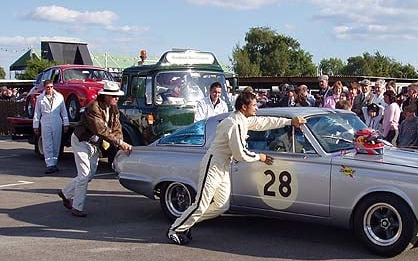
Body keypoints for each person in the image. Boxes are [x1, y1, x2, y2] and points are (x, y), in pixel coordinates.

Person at [166, 92, 307, 245]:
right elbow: (241, 154)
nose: (257, 108)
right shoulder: (234, 124)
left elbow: (264, 122)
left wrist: (289, 122)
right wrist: (260, 157)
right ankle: (175, 229)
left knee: (221, 206)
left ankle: (186, 223)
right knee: (201, 204)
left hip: (224, 164)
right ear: (244, 107)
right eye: (254, 105)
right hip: (213, 164)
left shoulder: (242, 119)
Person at [59, 81, 132, 217]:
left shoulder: (114, 109)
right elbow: (101, 130)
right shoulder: (93, 107)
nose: (116, 98)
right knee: (84, 175)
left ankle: (65, 193)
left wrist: (121, 142)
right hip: (81, 142)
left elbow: (117, 128)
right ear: (105, 96)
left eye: (117, 96)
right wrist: (120, 143)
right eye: (113, 96)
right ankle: (77, 207)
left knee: (90, 175)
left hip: (94, 145)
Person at [33, 79, 69, 174]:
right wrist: (35, 125)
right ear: (45, 87)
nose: (50, 89)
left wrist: (66, 123)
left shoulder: (59, 97)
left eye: (51, 87)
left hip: (56, 120)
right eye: (48, 87)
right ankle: (50, 164)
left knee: (56, 142)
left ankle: (54, 163)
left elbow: (63, 111)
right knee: (47, 143)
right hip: (45, 120)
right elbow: (37, 112)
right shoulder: (40, 98)